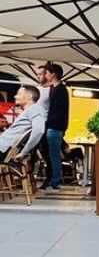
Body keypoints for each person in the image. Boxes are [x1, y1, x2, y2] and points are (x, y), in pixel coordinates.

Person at [0, 86, 45, 163]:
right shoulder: (30, 110)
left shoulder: (35, 108)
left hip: (3, 148)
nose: (15, 96)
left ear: (29, 97)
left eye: (19, 94)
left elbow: (39, 130)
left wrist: (24, 152)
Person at [42, 62, 69, 191]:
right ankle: (54, 180)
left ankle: (55, 180)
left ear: (53, 74)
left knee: (54, 155)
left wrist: (50, 124)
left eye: (47, 73)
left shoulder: (61, 90)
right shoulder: (54, 89)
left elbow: (61, 111)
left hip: (55, 127)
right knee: (51, 154)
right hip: (53, 126)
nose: (45, 75)